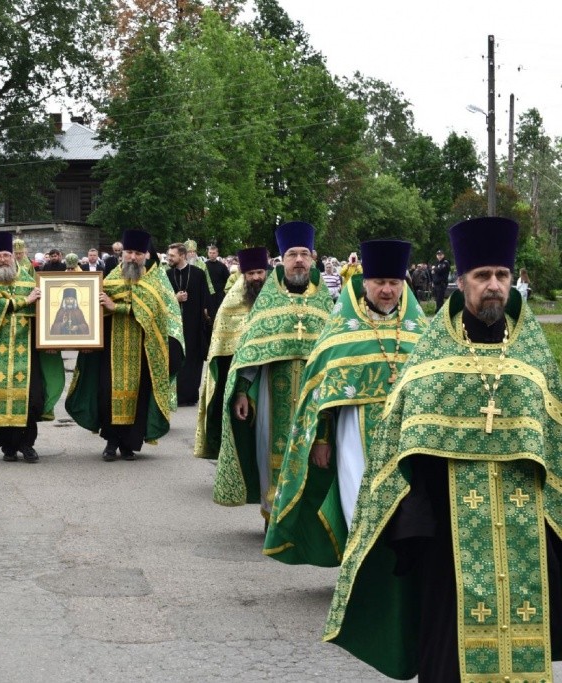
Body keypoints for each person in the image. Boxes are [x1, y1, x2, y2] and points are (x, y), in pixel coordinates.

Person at [324, 217, 562, 682]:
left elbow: (554, 445)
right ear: (461, 281)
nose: (493, 286)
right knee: (449, 646)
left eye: (502, 276)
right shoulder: (432, 355)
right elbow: (400, 447)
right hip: (450, 532)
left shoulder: (534, 355)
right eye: (482, 276)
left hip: (525, 531)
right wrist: (415, 523)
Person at [263, 240, 426, 567]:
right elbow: (319, 393)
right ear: (365, 283)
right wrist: (321, 440)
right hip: (353, 434)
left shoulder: (420, 331)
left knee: (405, 510)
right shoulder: (340, 330)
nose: (387, 291)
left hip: (406, 439)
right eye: (379, 282)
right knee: (358, 506)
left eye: (394, 283)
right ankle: (361, 573)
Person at [213, 221, 333, 524]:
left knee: (314, 453)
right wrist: (242, 390)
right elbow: (251, 351)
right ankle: (274, 517)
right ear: (282, 260)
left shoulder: (324, 300)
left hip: (313, 394)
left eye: (304, 254)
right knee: (271, 452)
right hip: (270, 391)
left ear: (313, 258)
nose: (299, 260)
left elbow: (334, 352)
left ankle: (304, 519)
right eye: (292, 254)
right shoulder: (268, 297)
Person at [66, 229, 184, 461]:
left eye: (138, 253)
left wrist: (116, 307)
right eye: (129, 252)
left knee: (138, 396)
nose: (132, 257)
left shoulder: (155, 282)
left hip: (142, 350)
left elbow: (155, 314)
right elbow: (91, 310)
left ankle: (129, 444)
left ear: (146, 256)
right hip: (110, 351)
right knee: (107, 394)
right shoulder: (109, 279)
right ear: (121, 254)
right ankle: (111, 443)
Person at [0, 231, 67, 463]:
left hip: (27, 351)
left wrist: (52, 339)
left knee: (32, 399)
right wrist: (24, 302)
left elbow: (46, 310)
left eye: (6, 255)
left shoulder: (27, 279)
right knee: (0, 400)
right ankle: (8, 447)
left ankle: (27, 444)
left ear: (14, 257)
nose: (3, 259)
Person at [194, 247, 269, 460]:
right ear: (243, 275)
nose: (256, 277)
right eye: (251, 273)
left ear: (266, 273)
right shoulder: (232, 302)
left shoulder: (275, 298)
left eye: (260, 273)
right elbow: (221, 341)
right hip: (235, 371)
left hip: (268, 372)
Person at [166, 242, 211, 406]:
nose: (169, 258)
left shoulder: (198, 274)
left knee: (193, 360)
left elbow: (205, 297)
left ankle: (191, 394)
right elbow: (162, 300)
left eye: (172, 255)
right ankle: (175, 395)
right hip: (174, 325)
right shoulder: (167, 275)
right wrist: (175, 299)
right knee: (176, 358)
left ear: (182, 256)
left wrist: (206, 315)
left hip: (194, 324)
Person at [204, 243, 228, 316]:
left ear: (217, 253)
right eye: (210, 253)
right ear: (208, 253)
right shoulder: (203, 265)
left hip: (219, 295)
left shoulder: (222, 266)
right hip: (208, 295)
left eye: (214, 253)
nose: (212, 255)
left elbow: (227, 280)